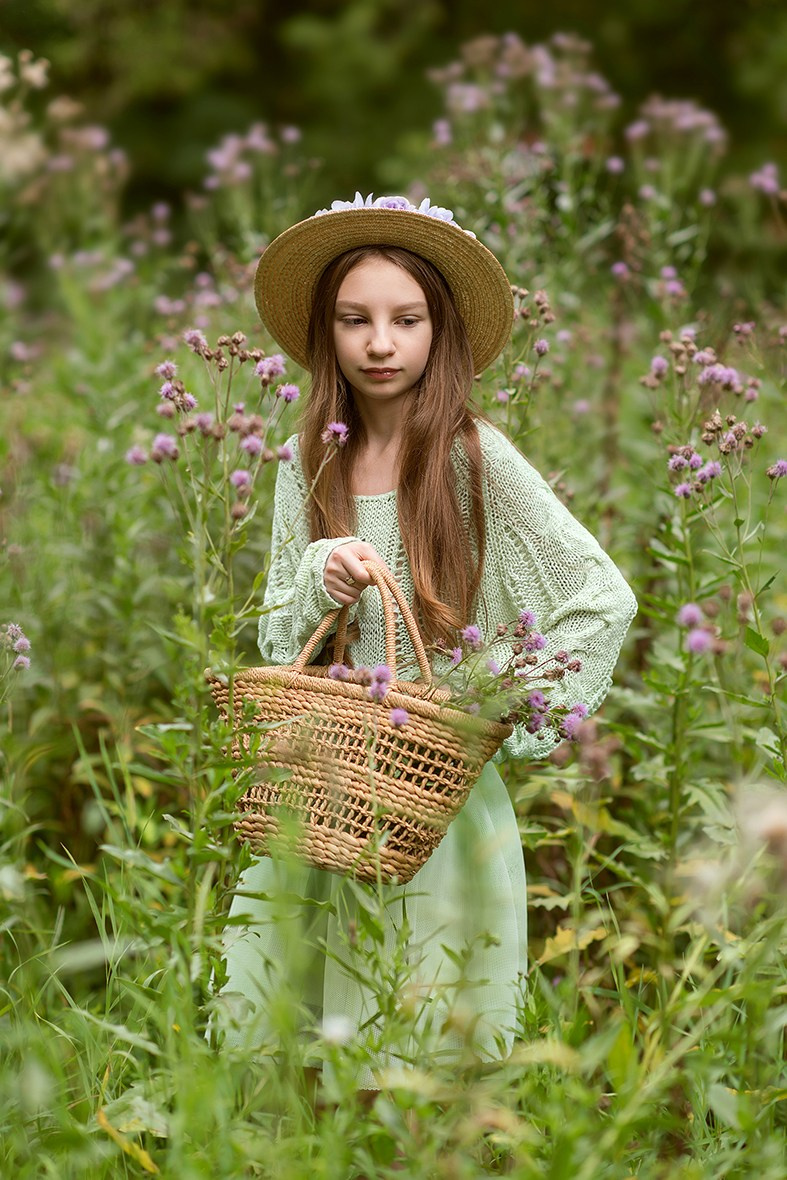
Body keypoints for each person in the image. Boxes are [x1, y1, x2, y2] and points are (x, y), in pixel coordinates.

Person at [216, 193, 637, 1093]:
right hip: (324, 783)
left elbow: (600, 597)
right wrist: (319, 573)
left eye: (405, 320)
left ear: (438, 331)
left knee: (417, 1016)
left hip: (427, 791)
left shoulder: (470, 455)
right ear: (326, 332)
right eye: (354, 320)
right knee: (299, 1026)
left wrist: (478, 692)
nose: (380, 343)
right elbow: (276, 629)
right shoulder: (307, 459)